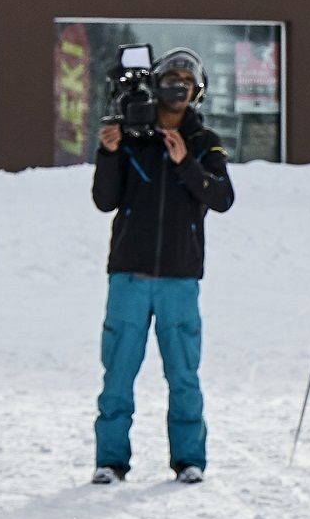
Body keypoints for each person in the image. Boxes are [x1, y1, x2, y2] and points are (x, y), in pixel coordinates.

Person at [89, 47, 234, 483]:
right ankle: (110, 461)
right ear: (157, 83)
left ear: (197, 92)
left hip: (179, 278)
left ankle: (189, 459)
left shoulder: (205, 142)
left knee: (184, 376)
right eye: (171, 80)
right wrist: (109, 154)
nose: (178, 88)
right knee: (117, 375)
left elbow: (222, 197)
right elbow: (104, 201)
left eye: (187, 84)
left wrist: (185, 163)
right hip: (129, 275)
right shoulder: (133, 135)